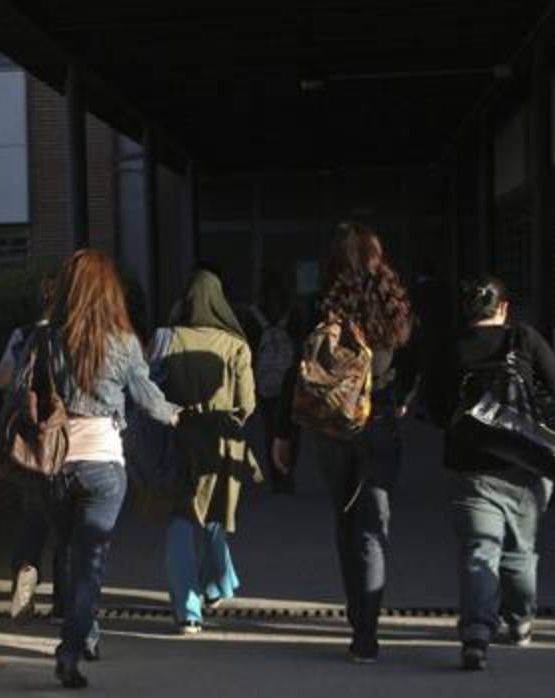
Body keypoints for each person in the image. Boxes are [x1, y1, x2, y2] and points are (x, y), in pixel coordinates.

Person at [12, 249, 182, 690]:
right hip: (104, 466)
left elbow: (18, 388)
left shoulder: (44, 337)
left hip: (53, 464)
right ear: (109, 291)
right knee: (91, 561)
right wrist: (176, 414)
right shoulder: (122, 340)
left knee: (69, 552)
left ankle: (84, 635)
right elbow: (148, 398)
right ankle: (72, 648)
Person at [271, 222, 415, 663]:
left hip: (332, 429)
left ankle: (358, 614)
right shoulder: (396, 313)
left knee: (346, 521)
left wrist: (284, 433)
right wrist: (402, 399)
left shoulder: (322, 310)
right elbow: (416, 366)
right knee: (374, 526)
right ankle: (366, 633)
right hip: (380, 425)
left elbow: (299, 375)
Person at [425, 274, 555, 671]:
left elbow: (437, 409)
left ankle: (476, 634)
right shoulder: (524, 340)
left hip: (470, 466)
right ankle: (520, 621)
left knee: (480, 549)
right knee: (520, 550)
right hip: (526, 465)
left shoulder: (451, 347)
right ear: (504, 308)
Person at [154, 270, 262, 635]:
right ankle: (217, 585)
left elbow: (151, 391)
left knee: (182, 521)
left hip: (180, 438)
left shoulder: (167, 338)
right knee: (216, 516)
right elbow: (247, 404)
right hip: (223, 443)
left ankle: (188, 611)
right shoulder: (237, 345)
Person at [0, 275, 57, 623]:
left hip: (28, 440)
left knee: (33, 515)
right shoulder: (73, 337)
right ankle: (66, 599)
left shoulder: (23, 335)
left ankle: (25, 570)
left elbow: (1, 378)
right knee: (69, 522)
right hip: (64, 438)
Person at [242, 273, 301, 494]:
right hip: (290, 379)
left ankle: (277, 477)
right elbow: (302, 345)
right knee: (291, 429)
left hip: (265, 381)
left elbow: (247, 349)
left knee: (271, 430)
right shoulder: (293, 313)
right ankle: (287, 473)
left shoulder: (253, 315)